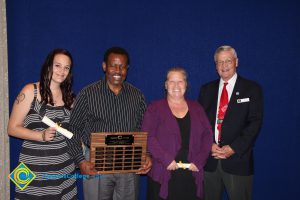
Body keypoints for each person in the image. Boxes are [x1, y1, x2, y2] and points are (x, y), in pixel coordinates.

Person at [66, 46, 152, 200]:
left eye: (122, 66)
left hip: (129, 162)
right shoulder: (87, 94)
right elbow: (72, 129)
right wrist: (81, 161)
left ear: (127, 69)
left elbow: (145, 129)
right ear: (104, 66)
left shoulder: (137, 96)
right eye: (113, 65)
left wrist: (147, 154)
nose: (118, 70)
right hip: (95, 163)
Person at [7, 48, 77, 199]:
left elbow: (74, 134)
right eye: (57, 65)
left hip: (64, 172)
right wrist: (40, 135)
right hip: (31, 170)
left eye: (66, 67)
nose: (62, 71)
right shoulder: (30, 90)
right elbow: (11, 128)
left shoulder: (71, 99)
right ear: (48, 66)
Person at [198, 45, 263, 200]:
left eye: (228, 61)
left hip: (238, 161)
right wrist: (208, 144)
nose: (224, 65)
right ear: (215, 66)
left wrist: (233, 148)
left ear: (236, 62)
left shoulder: (252, 89)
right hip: (210, 161)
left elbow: (255, 123)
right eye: (220, 62)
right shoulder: (206, 90)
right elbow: (200, 124)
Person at [142, 67, 213, 200]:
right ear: (165, 85)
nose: (176, 85)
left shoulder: (197, 108)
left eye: (180, 81)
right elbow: (148, 137)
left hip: (192, 173)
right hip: (163, 172)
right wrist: (166, 159)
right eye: (171, 81)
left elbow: (208, 135)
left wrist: (199, 161)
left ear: (186, 84)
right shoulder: (154, 108)